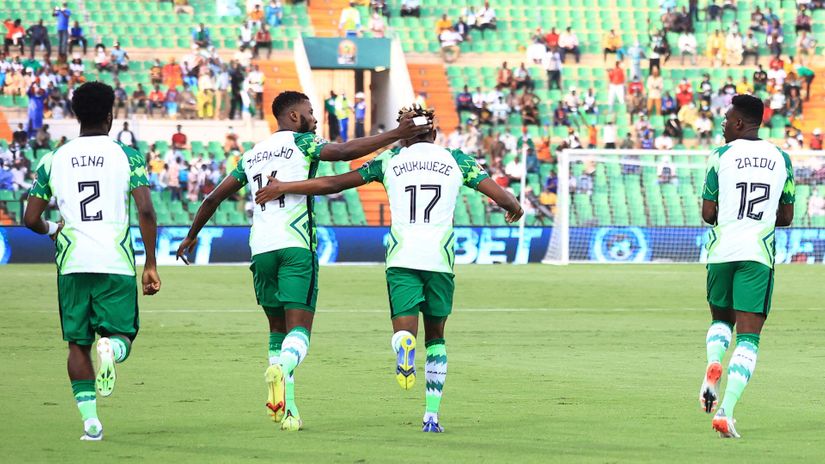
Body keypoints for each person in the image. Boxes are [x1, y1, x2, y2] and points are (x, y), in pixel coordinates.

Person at [251, 104, 521, 433]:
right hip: (439, 259)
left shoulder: (389, 160)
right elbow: (502, 197)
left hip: (402, 257)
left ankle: (402, 344)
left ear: (406, 136)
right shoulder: (457, 160)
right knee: (436, 336)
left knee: (404, 331)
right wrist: (514, 208)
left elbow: (334, 183)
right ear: (433, 133)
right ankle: (431, 416)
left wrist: (284, 187)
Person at [176, 91, 432, 432]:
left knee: (276, 330)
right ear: (294, 117)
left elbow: (213, 197)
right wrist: (397, 134)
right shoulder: (304, 142)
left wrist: (192, 235)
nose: (315, 118)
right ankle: (282, 370)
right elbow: (343, 153)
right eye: (310, 112)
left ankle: (289, 410)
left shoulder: (251, 156)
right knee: (299, 333)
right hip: (295, 246)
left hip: (261, 249)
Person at [22, 81, 160, 441]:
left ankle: (91, 423)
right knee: (123, 335)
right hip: (113, 261)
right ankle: (111, 348)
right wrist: (150, 264)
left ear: (75, 115)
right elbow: (145, 209)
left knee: (76, 344)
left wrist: (54, 228)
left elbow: (30, 219)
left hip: (72, 263)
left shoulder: (53, 158)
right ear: (111, 115)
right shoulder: (127, 155)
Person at [699, 94, 794, 439]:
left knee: (720, 321)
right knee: (749, 338)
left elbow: (708, 214)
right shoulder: (782, 158)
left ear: (740, 123)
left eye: (726, 120)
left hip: (722, 251)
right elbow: (786, 216)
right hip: (757, 255)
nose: (723, 125)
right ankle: (726, 410)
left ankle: (713, 362)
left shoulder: (720, 156)